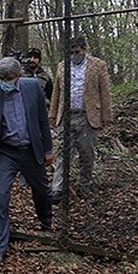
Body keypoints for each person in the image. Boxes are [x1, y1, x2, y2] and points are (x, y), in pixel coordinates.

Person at [0, 56, 53, 268]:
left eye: (9, 78)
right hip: (6, 153)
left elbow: (42, 120)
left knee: (42, 190)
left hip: (31, 150)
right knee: (0, 196)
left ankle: (46, 221)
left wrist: (48, 149)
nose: (5, 82)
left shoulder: (32, 88)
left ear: (18, 76)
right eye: (1, 78)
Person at [49, 36, 113, 201]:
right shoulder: (62, 66)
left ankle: (84, 186)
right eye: (71, 52)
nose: (74, 55)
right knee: (63, 152)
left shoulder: (98, 66)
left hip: (88, 116)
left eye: (77, 52)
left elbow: (105, 92)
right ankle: (57, 189)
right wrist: (53, 114)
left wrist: (106, 117)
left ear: (84, 50)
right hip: (66, 115)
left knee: (86, 153)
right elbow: (56, 92)